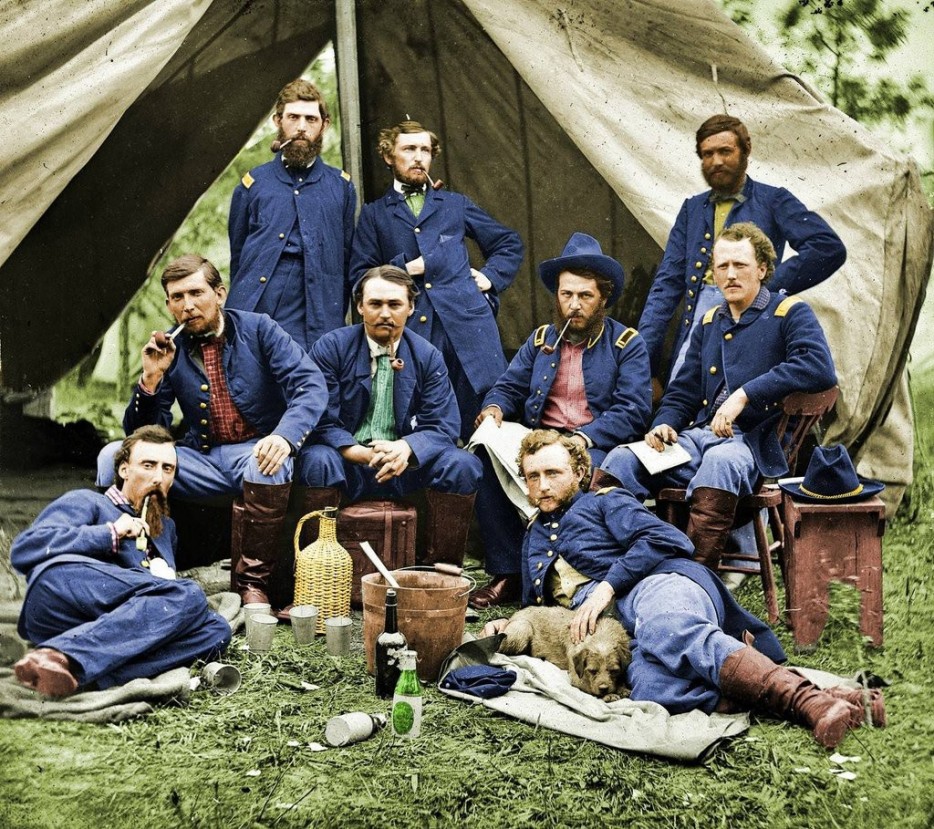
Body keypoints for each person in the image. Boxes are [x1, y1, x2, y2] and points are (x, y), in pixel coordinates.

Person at [481, 431, 884, 748]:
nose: (543, 485)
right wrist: (506, 623)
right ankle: (836, 698)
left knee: (667, 628)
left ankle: (807, 702)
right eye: (533, 477)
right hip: (617, 630)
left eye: (553, 473)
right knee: (650, 685)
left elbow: (666, 539)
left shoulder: (604, 502)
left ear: (578, 473)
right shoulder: (534, 535)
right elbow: (536, 604)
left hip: (656, 585)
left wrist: (607, 586)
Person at [600, 222, 837, 574]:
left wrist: (745, 394)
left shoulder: (788, 312)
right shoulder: (711, 321)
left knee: (720, 462)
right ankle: (624, 561)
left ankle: (696, 576)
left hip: (755, 443)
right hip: (699, 437)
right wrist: (664, 423)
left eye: (740, 265)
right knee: (622, 460)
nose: (730, 274)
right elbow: (683, 390)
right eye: (722, 266)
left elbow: (819, 367)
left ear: (762, 269)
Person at [105, 254, 328, 608]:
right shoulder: (170, 349)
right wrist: (151, 379)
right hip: (202, 459)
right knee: (112, 457)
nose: (188, 306)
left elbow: (310, 385)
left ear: (220, 294)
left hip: (256, 450)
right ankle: (129, 565)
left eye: (196, 293)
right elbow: (145, 437)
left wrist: (283, 437)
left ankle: (253, 584)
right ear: (169, 304)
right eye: (177, 297)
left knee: (266, 463)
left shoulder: (259, 329)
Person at [468, 232, 652, 608]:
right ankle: (507, 571)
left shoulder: (627, 345)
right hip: (542, 438)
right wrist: (495, 408)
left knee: (576, 476)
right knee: (483, 452)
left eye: (585, 296)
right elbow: (508, 386)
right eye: (566, 295)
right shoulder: (541, 341)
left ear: (603, 299)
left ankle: (568, 572)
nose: (574, 306)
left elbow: (633, 409)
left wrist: (582, 438)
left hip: (595, 444)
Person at [12, 426, 232, 698]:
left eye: (167, 469)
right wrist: (111, 533)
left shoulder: (166, 530)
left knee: (216, 630)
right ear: (124, 470)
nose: (158, 477)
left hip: (108, 624)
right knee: (189, 594)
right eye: (148, 465)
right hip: (63, 593)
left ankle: (73, 671)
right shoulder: (88, 501)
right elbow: (25, 548)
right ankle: (68, 657)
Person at [638, 114, 846, 390]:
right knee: (682, 395)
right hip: (700, 321)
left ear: (745, 152)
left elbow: (827, 247)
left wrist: (766, 287)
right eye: (707, 154)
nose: (716, 161)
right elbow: (665, 287)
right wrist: (642, 366)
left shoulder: (774, 199)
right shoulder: (692, 209)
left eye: (725, 151)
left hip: (752, 323)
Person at [350, 119, 524, 440]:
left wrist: (489, 278)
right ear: (389, 156)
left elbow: (508, 243)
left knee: (485, 428)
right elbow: (360, 278)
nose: (418, 157)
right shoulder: (375, 215)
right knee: (424, 428)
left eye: (425, 150)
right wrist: (406, 268)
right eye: (409, 149)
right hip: (413, 333)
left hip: (469, 331)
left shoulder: (454, 204)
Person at [298, 266, 483, 565]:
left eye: (395, 304)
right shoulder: (332, 347)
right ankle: (316, 570)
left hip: (405, 468)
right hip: (347, 463)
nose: (385, 313)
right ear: (360, 306)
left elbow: (444, 425)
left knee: (462, 464)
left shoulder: (427, 356)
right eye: (375, 303)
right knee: (317, 459)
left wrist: (407, 448)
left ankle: (440, 574)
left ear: (410, 307)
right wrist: (358, 452)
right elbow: (318, 418)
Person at [227, 79, 356, 350]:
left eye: (311, 119)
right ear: (278, 121)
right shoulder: (254, 184)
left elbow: (345, 258)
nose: (301, 127)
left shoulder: (340, 187)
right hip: (259, 311)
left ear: (324, 125)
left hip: (317, 315)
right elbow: (238, 257)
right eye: (293, 117)